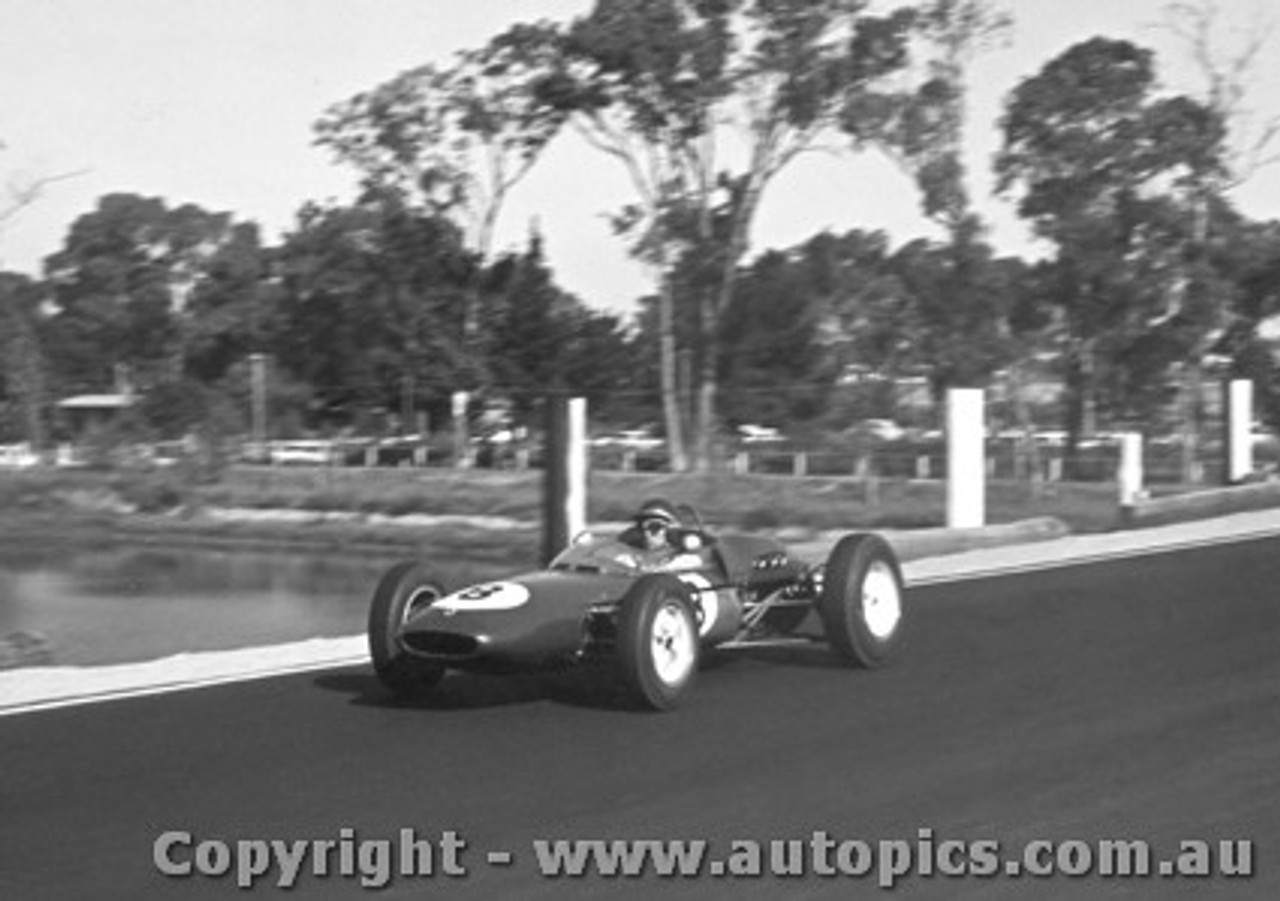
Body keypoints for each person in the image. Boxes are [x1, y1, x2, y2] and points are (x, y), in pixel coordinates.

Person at [621, 498, 703, 572]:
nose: (646, 534)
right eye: (640, 528)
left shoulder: (687, 563)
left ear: (671, 532)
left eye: (655, 527)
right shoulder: (626, 561)